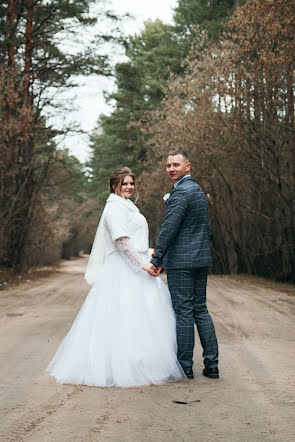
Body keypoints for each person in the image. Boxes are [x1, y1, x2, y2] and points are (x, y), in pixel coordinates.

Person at [47, 167, 186, 388]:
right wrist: (143, 265)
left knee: (144, 316)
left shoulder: (127, 206)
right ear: (114, 186)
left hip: (137, 264)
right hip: (125, 269)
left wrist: (149, 256)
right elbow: (121, 242)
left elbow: (134, 239)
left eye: (132, 183)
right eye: (125, 184)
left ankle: (140, 361)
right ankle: (121, 367)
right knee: (124, 315)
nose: (129, 187)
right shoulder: (114, 208)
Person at [146, 150, 219, 380]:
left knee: (184, 312)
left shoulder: (180, 193)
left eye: (176, 165)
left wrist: (157, 260)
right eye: (168, 165)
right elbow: (204, 229)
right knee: (201, 309)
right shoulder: (197, 192)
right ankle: (212, 365)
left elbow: (169, 229)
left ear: (188, 166)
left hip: (182, 262)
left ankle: (185, 365)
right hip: (200, 259)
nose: (171, 169)